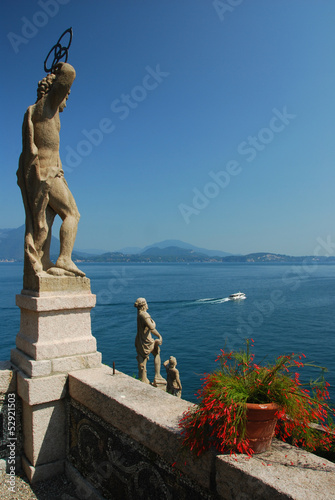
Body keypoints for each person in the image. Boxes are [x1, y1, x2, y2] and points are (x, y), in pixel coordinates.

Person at [17, 62, 85, 280]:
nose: (67, 98)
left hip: (44, 175)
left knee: (45, 221)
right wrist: (59, 65)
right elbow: (69, 74)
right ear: (56, 90)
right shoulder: (46, 107)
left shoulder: (39, 114)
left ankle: (44, 260)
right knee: (72, 214)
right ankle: (64, 258)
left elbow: (47, 148)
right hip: (48, 174)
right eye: (66, 94)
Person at [134, 297, 165, 384]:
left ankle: (143, 379)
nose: (147, 305)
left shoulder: (139, 315)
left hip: (140, 340)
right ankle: (157, 375)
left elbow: (148, 329)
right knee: (156, 353)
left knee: (142, 361)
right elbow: (151, 327)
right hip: (147, 341)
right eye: (146, 303)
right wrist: (154, 322)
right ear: (144, 305)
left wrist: (158, 335)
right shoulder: (145, 315)